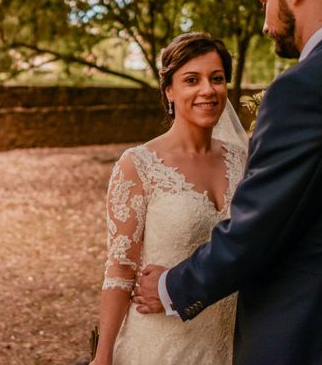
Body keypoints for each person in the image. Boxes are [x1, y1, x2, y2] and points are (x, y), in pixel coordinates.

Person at [133, 0, 322, 365]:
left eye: (265, 2)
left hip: (311, 336)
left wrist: (173, 287)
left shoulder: (303, 89)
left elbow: (258, 227)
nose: (266, 24)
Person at [90, 32, 248, 364]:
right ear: (170, 91)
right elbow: (120, 270)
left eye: (216, 79)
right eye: (192, 79)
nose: (207, 89)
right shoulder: (139, 165)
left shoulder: (245, 160)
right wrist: (102, 356)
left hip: (233, 343)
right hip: (162, 345)